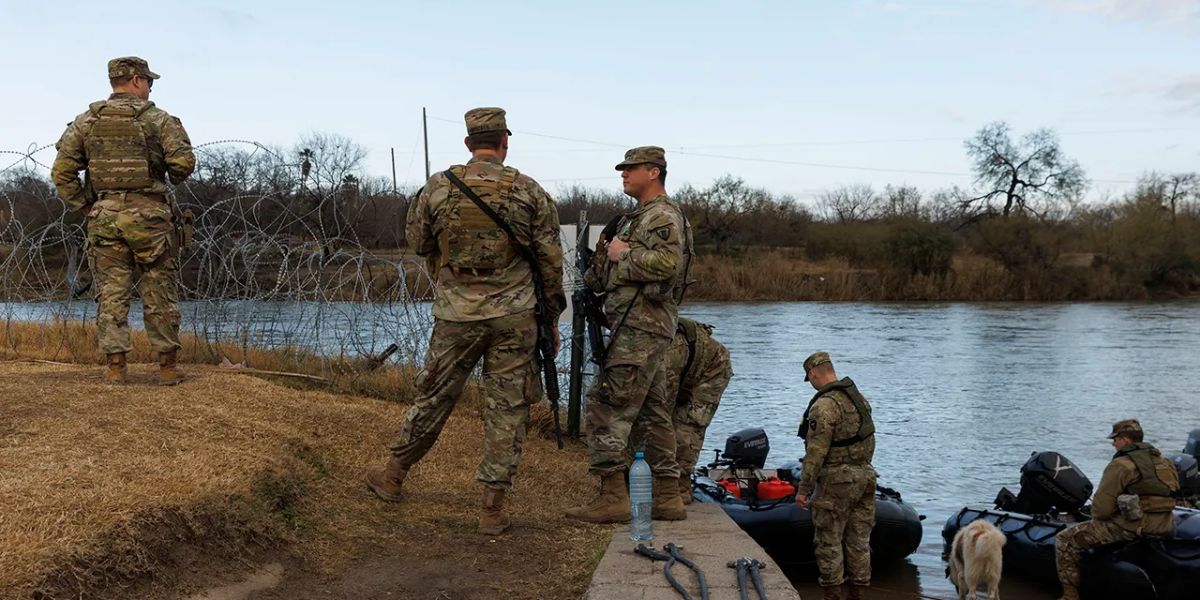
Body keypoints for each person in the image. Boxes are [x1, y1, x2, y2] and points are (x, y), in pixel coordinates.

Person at [364, 107, 565, 536]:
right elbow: (551, 261)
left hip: (457, 311)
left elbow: (418, 243)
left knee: (434, 394)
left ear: (469, 143)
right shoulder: (530, 191)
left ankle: (393, 475)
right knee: (507, 407)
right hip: (515, 314)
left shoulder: (438, 187)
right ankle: (492, 508)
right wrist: (551, 318)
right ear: (505, 141)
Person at [565, 146, 693, 524]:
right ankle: (668, 498)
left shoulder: (661, 216)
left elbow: (668, 266)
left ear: (653, 172)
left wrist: (623, 255)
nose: (623, 174)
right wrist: (604, 256)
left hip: (640, 328)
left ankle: (612, 498)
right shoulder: (634, 219)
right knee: (653, 414)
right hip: (635, 327)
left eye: (631, 169)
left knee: (606, 405)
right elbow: (603, 276)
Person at [51, 57, 195, 385]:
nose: (149, 88)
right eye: (148, 82)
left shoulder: (86, 121)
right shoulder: (158, 120)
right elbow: (183, 166)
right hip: (150, 220)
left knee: (111, 292)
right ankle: (167, 368)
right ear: (135, 81)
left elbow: (62, 172)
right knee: (159, 289)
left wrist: (86, 206)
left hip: (105, 219)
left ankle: (116, 367)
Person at [1054, 419, 1180, 600]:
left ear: (1126, 440)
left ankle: (1069, 596)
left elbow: (1101, 511)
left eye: (1115, 439)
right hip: (1166, 526)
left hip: (1132, 529)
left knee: (1065, 540)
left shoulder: (1121, 465)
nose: (1114, 443)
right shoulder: (1165, 461)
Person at [795, 352, 877, 600]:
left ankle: (833, 596)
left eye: (808, 379)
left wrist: (803, 489)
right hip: (866, 477)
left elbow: (816, 453)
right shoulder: (859, 399)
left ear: (812, 374)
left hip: (836, 482)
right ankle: (859, 593)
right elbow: (868, 440)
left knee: (828, 543)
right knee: (859, 542)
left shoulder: (823, 406)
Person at [633, 317, 732, 504]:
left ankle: (680, 487)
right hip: (686, 368)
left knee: (687, 426)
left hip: (712, 370)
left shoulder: (665, 355)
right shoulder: (636, 346)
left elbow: (660, 417)